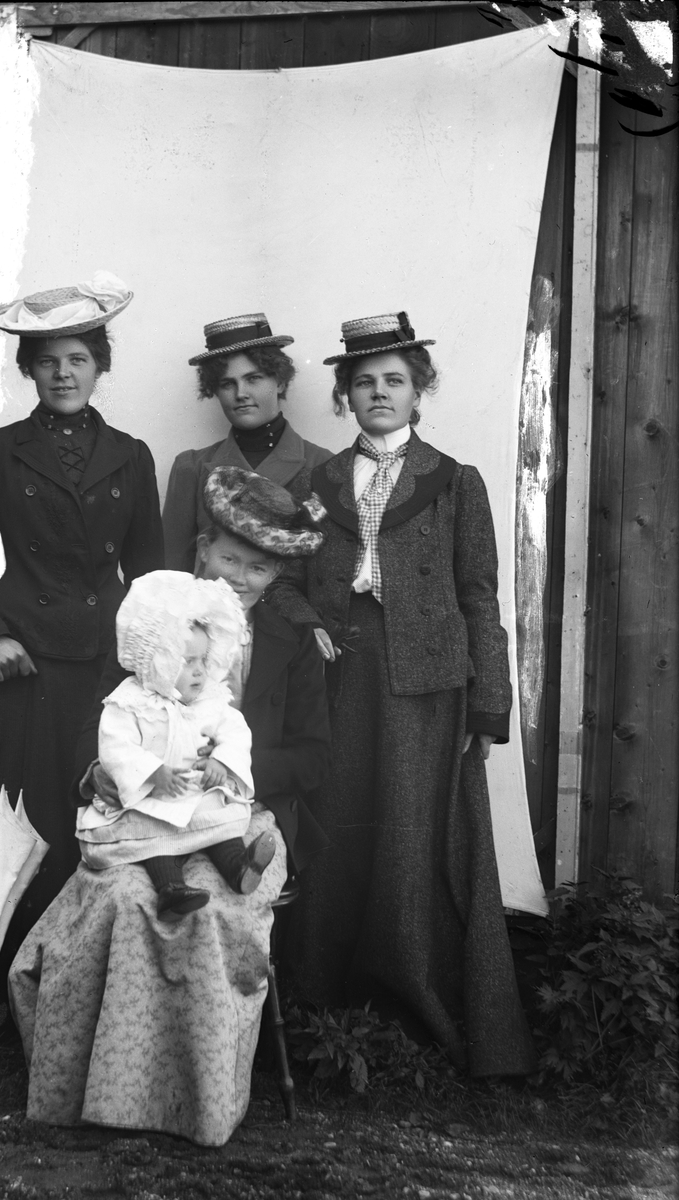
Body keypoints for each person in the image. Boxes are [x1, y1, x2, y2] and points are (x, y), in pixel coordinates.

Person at [9, 468, 330, 1146]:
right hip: (146, 810)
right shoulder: (151, 623)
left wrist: (224, 767)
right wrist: (101, 772)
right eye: (230, 558)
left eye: (260, 567)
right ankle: (111, 1096)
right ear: (202, 549)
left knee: (209, 910)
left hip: (243, 817)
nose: (241, 577)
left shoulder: (292, 641)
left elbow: (313, 757)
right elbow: (100, 722)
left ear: (277, 573)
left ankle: (197, 1101)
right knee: (129, 898)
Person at [266, 312, 536, 1078]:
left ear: (420, 391)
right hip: (338, 679)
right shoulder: (316, 485)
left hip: (425, 685)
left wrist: (488, 706)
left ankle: (419, 1005)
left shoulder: (453, 482)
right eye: (363, 382)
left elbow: (478, 597)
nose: (378, 392)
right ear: (344, 396)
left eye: (394, 380)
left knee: (414, 836)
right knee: (336, 828)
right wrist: (309, 624)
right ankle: (325, 1000)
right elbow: (282, 580)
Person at [0, 272, 164, 1037]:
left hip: (102, 667)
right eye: (47, 360)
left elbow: (150, 578)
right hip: (13, 668)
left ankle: (75, 999)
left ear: (99, 365)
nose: (62, 373)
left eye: (77, 358)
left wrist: (146, 666)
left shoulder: (132, 455)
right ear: (28, 369)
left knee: (92, 815)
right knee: (4, 825)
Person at [78, 570, 278, 920]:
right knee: (155, 837)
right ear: (156, 661)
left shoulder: (210, 700)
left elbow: (236, 731)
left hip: (195, 792)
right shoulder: (130, 702)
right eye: (188, 662)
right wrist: (152, 773)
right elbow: (115, 747)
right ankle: (171, 891)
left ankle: (239, 869)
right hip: (151, 797)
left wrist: (221, 760)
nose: (200, 671)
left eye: (203, 659)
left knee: (219, 820)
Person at [162, 312, 332, 573]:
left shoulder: (323, 464)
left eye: (253, 379)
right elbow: (171, 572)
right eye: (227, 384)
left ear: (280, 381)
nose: (241, 394)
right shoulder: (191, 467)